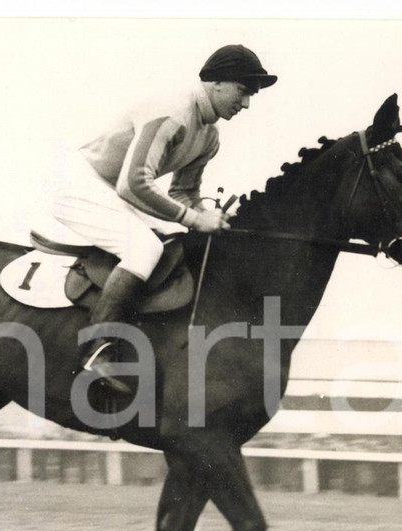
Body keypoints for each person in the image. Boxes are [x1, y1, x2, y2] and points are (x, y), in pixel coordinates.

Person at [51, 44, 277, 396]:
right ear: (217, 83)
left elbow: (182, 193)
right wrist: (194, 219)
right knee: (144, 250)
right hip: (81, 182)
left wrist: (208, 216)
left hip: (111, 190)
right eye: (243, 91)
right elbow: (133, 183)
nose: (246, 103)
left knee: (167, 243)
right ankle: (96, 350)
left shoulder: (209, 136)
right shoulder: (172, 112)